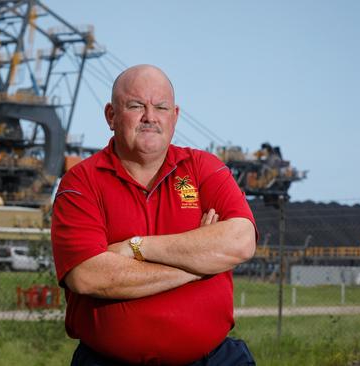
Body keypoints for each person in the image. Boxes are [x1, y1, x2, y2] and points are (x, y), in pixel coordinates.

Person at [51, 64, 258, 365]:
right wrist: (199, 266)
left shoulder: (203, 168)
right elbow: (88, 275)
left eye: (161, 107)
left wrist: (137, 247)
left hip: (212, 359)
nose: (150, 117)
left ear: (175, 117)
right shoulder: (82, 181)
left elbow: (241, 241)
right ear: (111, 116)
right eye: (136, 106)